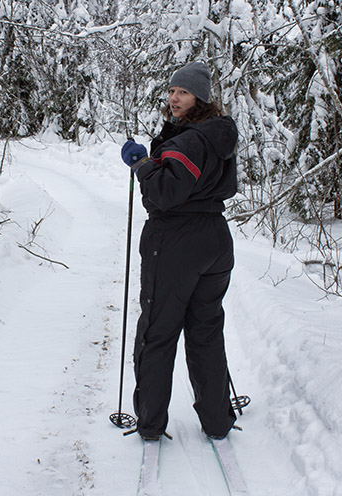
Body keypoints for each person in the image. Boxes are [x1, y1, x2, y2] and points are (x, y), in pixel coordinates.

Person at [120, 61, 239, 441]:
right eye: (172, 91)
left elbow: (166, 194)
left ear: (200, 98)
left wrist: (142, 165)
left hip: (176, 242)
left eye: (183, 93)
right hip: (215, 241)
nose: (174, 98)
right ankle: (218, 421)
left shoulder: (189, 141)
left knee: (158, 332)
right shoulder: (216, 134)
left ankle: (151, 424)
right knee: (205, 332)